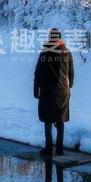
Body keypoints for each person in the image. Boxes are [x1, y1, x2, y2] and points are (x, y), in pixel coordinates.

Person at [33, 27, 75, 157]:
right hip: (63, 91)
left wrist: (36, 90)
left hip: (47, 92)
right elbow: (71, 72)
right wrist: (69, 87)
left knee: (48, 120)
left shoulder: (45, 53)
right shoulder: (67, 52)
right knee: (60, 120)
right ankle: (59, 149)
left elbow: (38, 74)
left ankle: (48, 147)